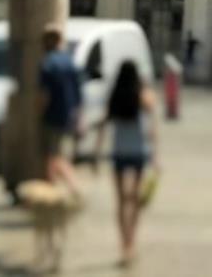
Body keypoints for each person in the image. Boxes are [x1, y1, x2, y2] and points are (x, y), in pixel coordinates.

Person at [92, 60, 158, 266]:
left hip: (119, 152)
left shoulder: (115, 98)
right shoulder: (142, 96)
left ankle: (124, 245)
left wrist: (96, 153)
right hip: (138, 152)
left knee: (120, 201)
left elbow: (103, 125)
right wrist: (155, 156)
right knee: (135, 199)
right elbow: (152, 126)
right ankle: (132, 241)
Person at [39, 25, 83, 199]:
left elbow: (44, 95)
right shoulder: (70, 61)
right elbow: (79, 92)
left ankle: (72, 187)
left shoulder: (48, 63)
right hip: (69, 114)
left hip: (52, 114)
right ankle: (52, 187)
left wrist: (38, 111)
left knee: (53, 154)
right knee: (55, 154)